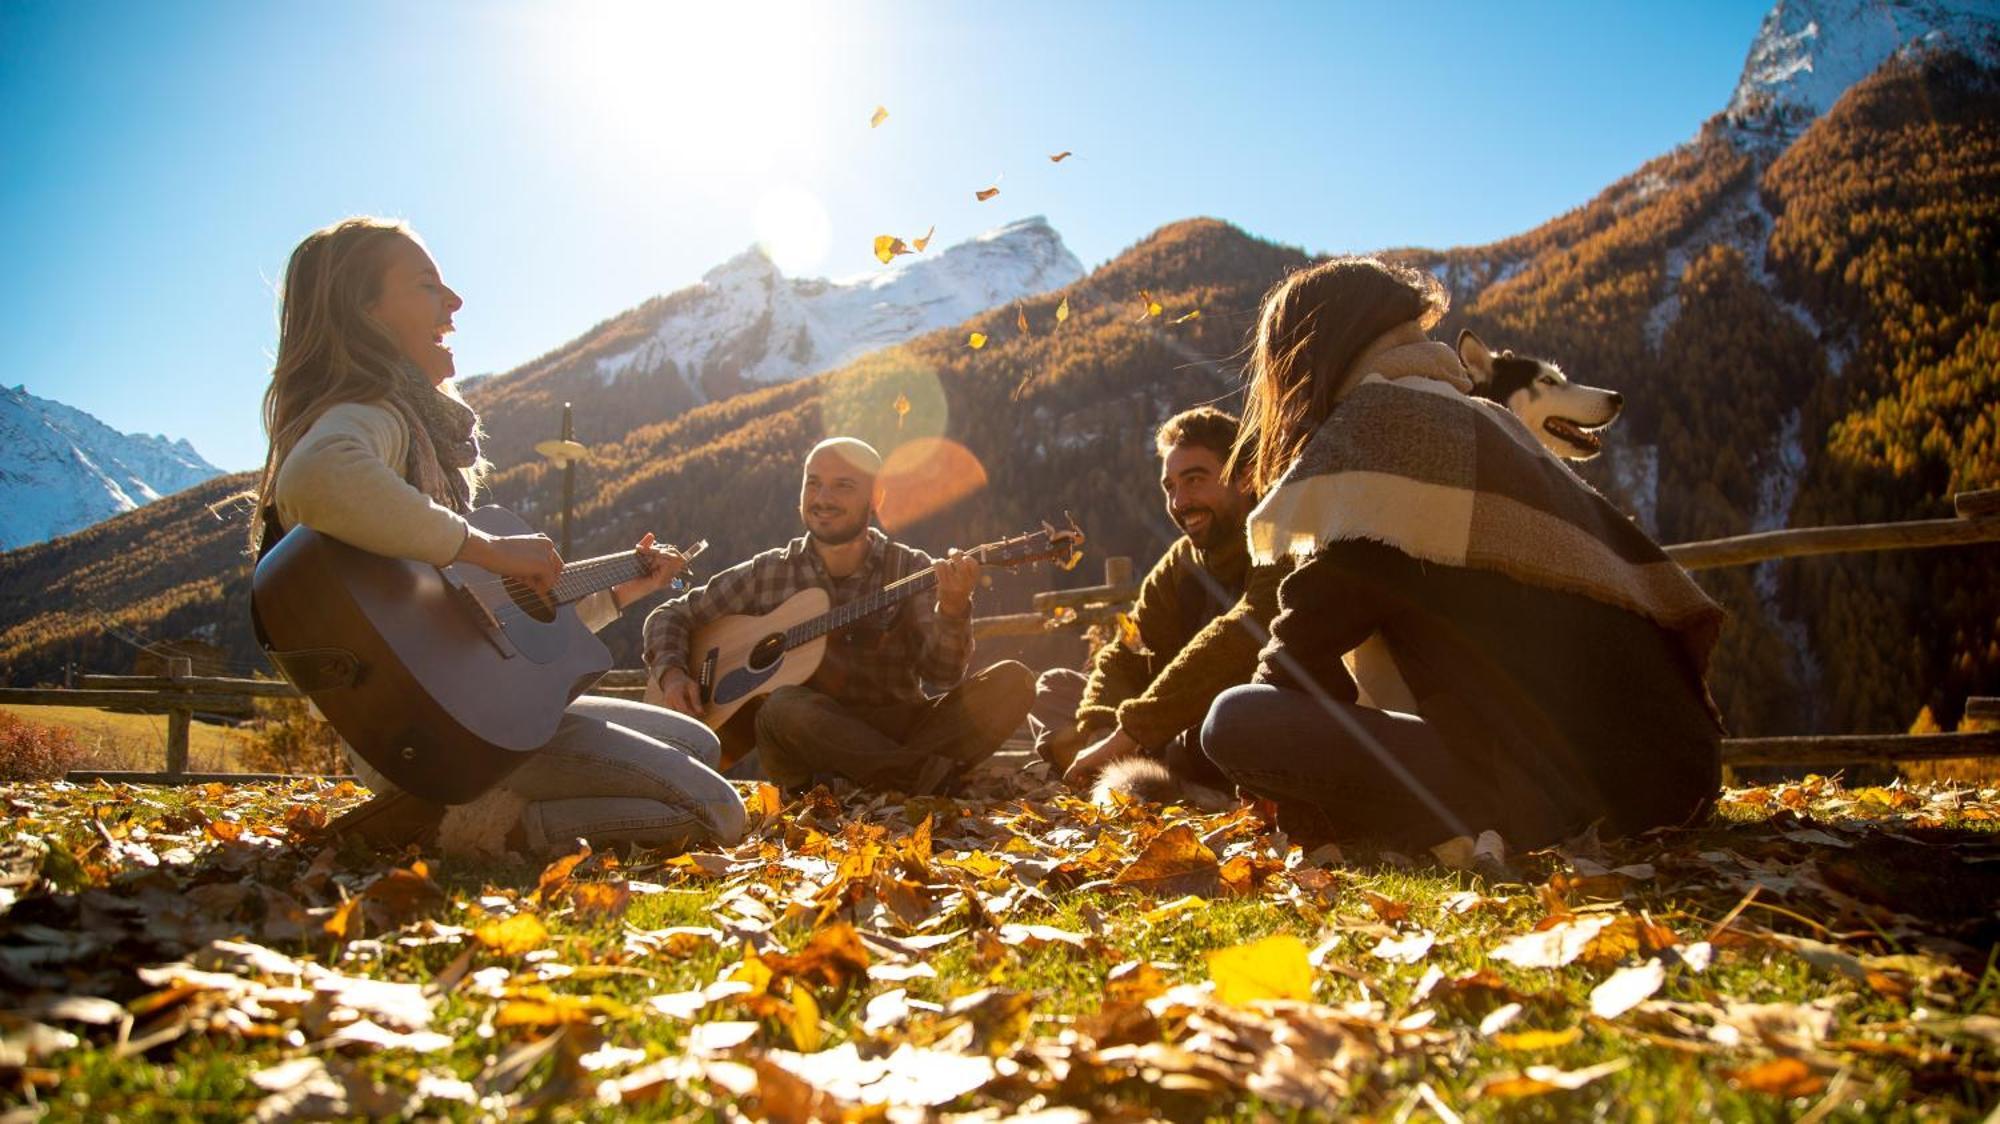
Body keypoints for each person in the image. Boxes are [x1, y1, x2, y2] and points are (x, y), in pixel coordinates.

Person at [254, 216, 747, 857]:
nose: (454, 303)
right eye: (428, 285)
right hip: (435, 735)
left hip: (466, 716)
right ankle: (469, 828)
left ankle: (479, 807)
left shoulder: (419, 434)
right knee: (718, 813)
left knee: (701, 744)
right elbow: (315, 477)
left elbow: (498, 631)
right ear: (366, 311)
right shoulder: (368, 415)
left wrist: (624, 589)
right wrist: (485, 547)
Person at [1201, 257, 1725, 849]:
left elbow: (1296, 657)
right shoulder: (1485, 423)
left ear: (1302, 359)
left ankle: (1423, 829)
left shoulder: (1381, 436)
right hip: (1680, 779)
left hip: (1575, 794)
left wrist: (1297, 792)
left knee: (1234, 720)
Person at [643, 438, 1034, 794]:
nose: (823, 497)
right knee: (781, 708)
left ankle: (893, 778)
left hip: (897, 726)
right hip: (809, 748)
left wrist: (952, 607)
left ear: (876, 497)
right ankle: (917, 778)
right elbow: (670, 614)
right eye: (813, 483)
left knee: (1012, 682)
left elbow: (943, 676)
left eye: (843, 485)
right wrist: (674, 673)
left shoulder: (910, 569)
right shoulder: (769, 572)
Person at [1027, 407, 1287, 802]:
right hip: (1157, 725)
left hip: (1237, 719)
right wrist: (1099, 729)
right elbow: (1128, 648)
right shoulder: (1180, 562)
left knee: (1222, 719)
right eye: (1170, 487)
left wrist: (1127, 735)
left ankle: (1146, 777)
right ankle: (1125, 775)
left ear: (1245, 477)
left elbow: (1240, 633)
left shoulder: (1278, 543)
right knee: (1054, 687)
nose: (1180, 502)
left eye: (1195, 481)